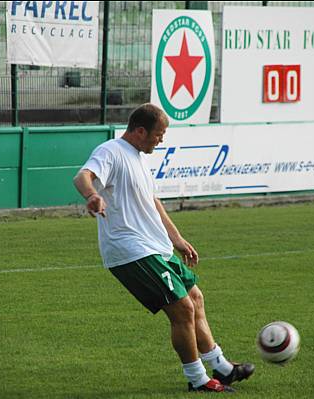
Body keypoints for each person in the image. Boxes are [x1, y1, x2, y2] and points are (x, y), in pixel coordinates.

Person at [73, 103, 254, 393]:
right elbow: (82, 177)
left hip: (155, 247)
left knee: (194, 298)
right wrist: (92, 195)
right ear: (140, 131)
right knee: (181, 309)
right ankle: (198, 380)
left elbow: (153, 203)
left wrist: (177, 239)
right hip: (131, 250)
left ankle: (222, 367)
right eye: (159, 134)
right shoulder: (111, 152)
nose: (162, 139)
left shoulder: (140, 158)